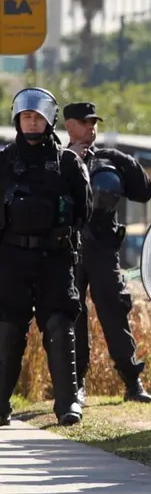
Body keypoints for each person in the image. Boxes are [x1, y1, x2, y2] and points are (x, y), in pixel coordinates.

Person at [0, 88, 92, 427]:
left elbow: (85, 209)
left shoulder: (68, 163)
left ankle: (67, 404)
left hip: (55, 258)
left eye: (38, 117)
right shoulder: (5, 160)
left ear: (49, 120)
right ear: (17, 120)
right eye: (26, 117)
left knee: (59, 325)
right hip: (11, 257)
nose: (32, 123)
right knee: (8, 329)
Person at [63, 102, 151, 405]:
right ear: (68, 126)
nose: (91, 128)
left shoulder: (107, 159)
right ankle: (75, 385)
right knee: (71, 316)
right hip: (67, 250)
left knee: (115, 312)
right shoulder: (55, 159)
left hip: (102, 249)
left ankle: (132, 380)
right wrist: (70, 162)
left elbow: (144, 192)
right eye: (84, 123)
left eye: (94, 123)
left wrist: (122, 162)